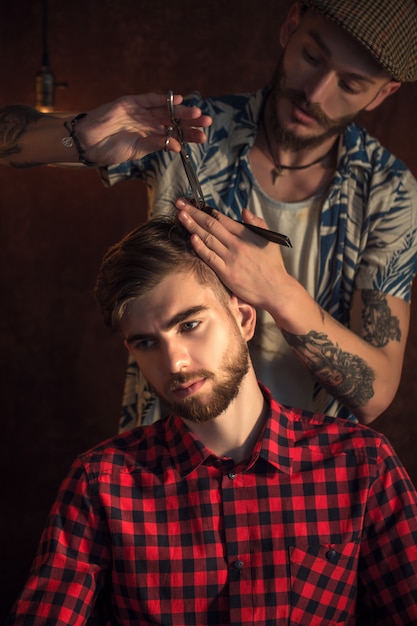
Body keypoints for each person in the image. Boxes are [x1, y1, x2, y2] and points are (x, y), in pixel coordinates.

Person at [1, 0, 417, 428]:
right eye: (312, 56)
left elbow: (375, 394)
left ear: (383, 93)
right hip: (168, 457)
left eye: (350, 84)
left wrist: (277, 291)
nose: (316, 93)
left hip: (306, 478)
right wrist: (82, 137)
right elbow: (7, 139)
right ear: (290, 25)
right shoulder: (188, 131)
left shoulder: (388, 192)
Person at [6, 214, 417, 624]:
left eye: (189, 325)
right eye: (146, 342)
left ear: (244, 319)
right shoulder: (102, 484)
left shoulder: (362, 465)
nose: (175, 363)